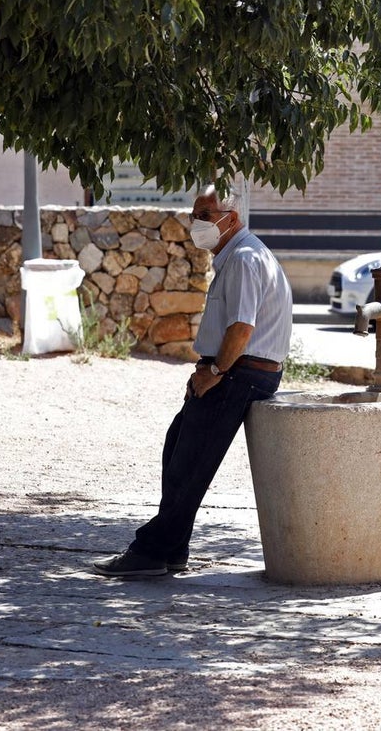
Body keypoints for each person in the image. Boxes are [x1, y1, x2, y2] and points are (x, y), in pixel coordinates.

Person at [94, 184, 293, 576]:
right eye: (195, 216)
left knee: (190, 463)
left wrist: (216, 372)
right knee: (178, 450)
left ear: (230, 219)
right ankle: (173, 549)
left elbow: (241, 328)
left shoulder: (245, 259)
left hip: (238, 373)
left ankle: (150, 553)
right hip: (234, 371)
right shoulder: (237, 255)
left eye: (204, 216)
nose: (196, 224)